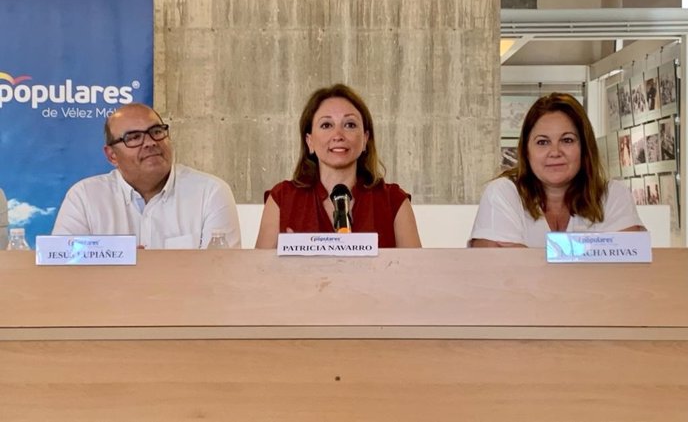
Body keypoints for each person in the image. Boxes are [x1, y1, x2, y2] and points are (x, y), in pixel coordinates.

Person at [53, 103, 241, 249]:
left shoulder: (210, 192)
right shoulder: (85, 196)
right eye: (134, 137)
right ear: (111, 155)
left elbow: (222, 272)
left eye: (157, 132)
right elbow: (63, 269)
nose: (150, 143)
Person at [255, 84, 421, 248]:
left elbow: (415, 273)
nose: (338, 135)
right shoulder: (282, 199)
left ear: (365, 139)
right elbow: (257, 273)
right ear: (309, 141)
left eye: (349, 124)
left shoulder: (393, 201)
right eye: (326, 125)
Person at [470, 93, 645, 248]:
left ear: (585, 147)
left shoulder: (613, 196)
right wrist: (591, 256)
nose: (555, 152)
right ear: (526, 150)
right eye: (542, 142)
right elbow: (503, 273)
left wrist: (530, 259)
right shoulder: (502, 193)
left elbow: (627, 272)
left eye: (567, 140)